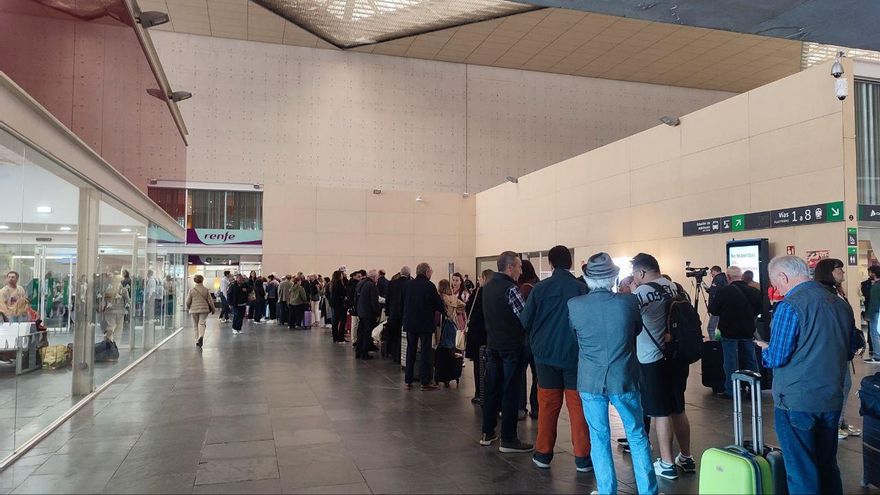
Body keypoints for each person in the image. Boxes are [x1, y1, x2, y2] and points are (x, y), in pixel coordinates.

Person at [757, 255, 855, 495]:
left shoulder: (789, 306)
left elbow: (777, 357)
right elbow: (851, 347)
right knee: (827, 465)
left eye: (775, 283)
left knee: (801, 471)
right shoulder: (840, 303)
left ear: (783, 276)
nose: (776, 288)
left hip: (796, 400)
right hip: (831, 397)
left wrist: (766, 350)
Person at [570, 253, 658, 495]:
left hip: (590, 380)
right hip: (624, 378)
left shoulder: (574, 305)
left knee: (598, 438)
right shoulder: (628, 303)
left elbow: (575, 337)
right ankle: (648, 491)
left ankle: (607, 490)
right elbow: (637, 330)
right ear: (612, 277)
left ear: (588, 279)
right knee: (637, 435)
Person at [518, 245, 591, 472]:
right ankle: (582, 458)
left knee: (548, 406)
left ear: (550, 263)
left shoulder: (540, 289)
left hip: (545, 357)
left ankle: (543, 454)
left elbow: (524, 320)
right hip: (575, 356)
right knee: (578, 407)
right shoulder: (581, 289)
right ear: (569, 263)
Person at [630, 253, 694, 479]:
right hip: (677, 356)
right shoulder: (676, 287)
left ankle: (666, 463)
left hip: (652, 358)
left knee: (659, 412)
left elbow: (629, 320)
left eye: (634, 274)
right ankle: (686, 457)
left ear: (641, 273)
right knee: (678, 407)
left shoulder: (642, 292)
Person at [480, 251, 533, 453]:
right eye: (519, 266)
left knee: (492, 389)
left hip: (493, 344)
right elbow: (525, 316)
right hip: (511, 346)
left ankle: (487, 432)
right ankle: (509, 438)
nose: (521, 270)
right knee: (510, 391)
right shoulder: (510, 289)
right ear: (510, 267)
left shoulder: (488, 286)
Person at [815, 258, 863, 439]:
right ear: (828, 272)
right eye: (838, 269)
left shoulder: (837, 291)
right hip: (832, 349)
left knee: (846, 384)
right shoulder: (824, 294)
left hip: (843, 348)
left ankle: (840, 420)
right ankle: (833, 423)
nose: (842, 272)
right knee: (837, 386)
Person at [707, 266, 761, 399]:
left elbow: (713, 310)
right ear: (741, 276)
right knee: (751, 360)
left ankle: (731, 390)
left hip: (729, 331)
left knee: (730, 361)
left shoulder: (723, 292)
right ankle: (754, 389)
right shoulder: (753, 291)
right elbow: (758, 310)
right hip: (748, 330)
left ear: (728, 277)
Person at [402, 262, 445, 390]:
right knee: (426, 352)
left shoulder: (408, 285)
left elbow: (403, 302)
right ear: (426, 272)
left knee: (411, 350)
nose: (431, 274)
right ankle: (425, 382)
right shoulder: (429, 286)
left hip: (410, 323)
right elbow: (438, 304)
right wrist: (443, 310)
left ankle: (408, 380)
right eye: (431, 271)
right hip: (424, 324)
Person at [517, 260, 540, 420]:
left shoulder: (522, 289)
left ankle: (520, 407)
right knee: (538, 374)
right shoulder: (539, 287)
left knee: (520, 373)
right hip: (538, 337)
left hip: (523, 337)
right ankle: (536, 407)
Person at [465, 269, 491, 403]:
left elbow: (468, 308)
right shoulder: (494, 292)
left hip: (476, 332)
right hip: (490, 332)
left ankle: (479, 393)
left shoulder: (477, 292)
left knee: (478, 363)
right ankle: (489, 392)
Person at [385, 266, 411, 360]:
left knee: (394, 335)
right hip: (404, 314)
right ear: (409, 274)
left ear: (400, 273)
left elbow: (387, 299)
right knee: (403, 337)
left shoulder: (392, 283)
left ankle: (394, 354)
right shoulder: (409, 284)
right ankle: (401, 356)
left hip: (393, 313)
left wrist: (387, 312)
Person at [355, 270, 381, 360]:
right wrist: (377, 313)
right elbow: (374, 301)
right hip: (368, 313)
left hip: (361, 311)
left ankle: (358, 352)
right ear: (374, 277)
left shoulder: (361, 283)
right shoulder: (371, 285)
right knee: (367, 333)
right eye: (377, 277)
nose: (377, 279)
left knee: (361, 333)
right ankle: (364, 353)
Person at [186, 274, 215, 347]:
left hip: (194, 309)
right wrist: (213, 309)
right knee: (202, 323)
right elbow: (210, 301)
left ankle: (197, 341)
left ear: (195, 281)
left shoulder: (191, 290)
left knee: (195, 325)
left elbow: (188, 301)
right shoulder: (206, 289)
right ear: (202, 280)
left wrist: (188, 307)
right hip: (204, 309)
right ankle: (201, 336)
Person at [101, 274, 129, 343]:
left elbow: (104, 298)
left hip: (112, 311)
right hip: (118, 311)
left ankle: (109, 344)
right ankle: (114, 344)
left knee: (111, 328)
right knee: (117, 329)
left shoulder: (109, 287)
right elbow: (127, 300)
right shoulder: (122, 289)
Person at [867, 264, 880, 364]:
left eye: (870, 272)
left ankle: (877, 355)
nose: (869, 274)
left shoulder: (876, 286)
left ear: (874, 274)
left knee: (874, 334)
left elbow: (874, 303)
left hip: (875, 313)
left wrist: (868, 315)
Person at [330, 270, 348, 343]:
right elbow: (344, 292)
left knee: (335, 321)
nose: (342, 276)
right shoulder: (339, 283)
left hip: (335, 304)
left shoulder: (333, 283)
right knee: (342, 321)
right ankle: (340, 338)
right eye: (341, 274)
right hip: (340, 304)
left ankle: (336, 338)